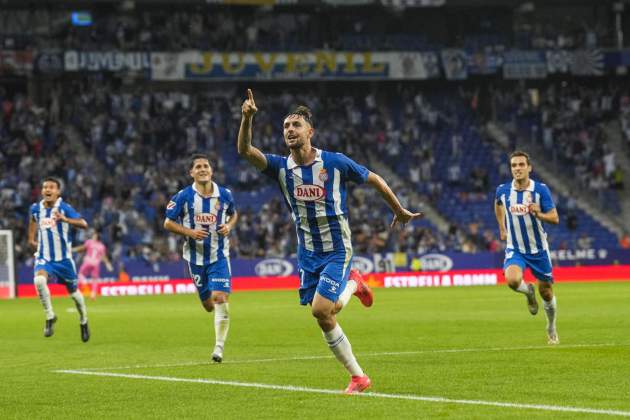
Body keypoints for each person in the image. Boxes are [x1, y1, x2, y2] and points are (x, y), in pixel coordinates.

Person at [237, 89, 421, 394]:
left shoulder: (334, 163)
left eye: (296, 125)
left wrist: (398, 209)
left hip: (337, 248)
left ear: (310, 131)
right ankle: (355, 284)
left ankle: (359, 377)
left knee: (320, 311)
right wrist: (247, 118)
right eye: (286, 126)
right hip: (307, 252)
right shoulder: (281, 168)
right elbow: (245, 151)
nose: (290, 130)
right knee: (329, 309)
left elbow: (374, 178)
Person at [164, 154, 238, 363]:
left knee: (220, 298)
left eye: (206, 166)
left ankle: (219, 347)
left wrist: (229, 226)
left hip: (219, 256)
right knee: (208, 305)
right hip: (195, 260)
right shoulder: (183, 197)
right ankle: (217, 314)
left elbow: (233, 214)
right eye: (198, 167)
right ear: (192, 172)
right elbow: (168, 223)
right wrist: (189, 232)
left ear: (211, 171)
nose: (203, 169)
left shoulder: (225, 194)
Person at [494, 151, 560, 345]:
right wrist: (502, 228)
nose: (517, 168)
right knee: (513, 281)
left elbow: (555, 218)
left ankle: (551, 327)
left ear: (529, 167)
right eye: (514, 165)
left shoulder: (540, 190)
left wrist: (539, 214)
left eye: (521, 165)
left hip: (538, 249)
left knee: (546, 292)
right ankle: (527, 292)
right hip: (516, 248)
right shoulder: (503, 190)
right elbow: (498, 205)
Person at [27, 177, 90, 342]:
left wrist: (65, 219)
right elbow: (33, 220)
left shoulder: (64, 208)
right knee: (39, 281)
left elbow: (84, 224)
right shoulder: (36, 208)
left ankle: (83, 320)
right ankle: (50, 316)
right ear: (42, 191)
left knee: (74, 295)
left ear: (58, 191)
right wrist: (31, 238)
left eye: (51, 187)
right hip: (44, 257)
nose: (48, 190)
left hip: (64, 260)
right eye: (45, 187)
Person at [73, 230, 114, 300]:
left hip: (88, 261)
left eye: (93, 235)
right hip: (96, 263)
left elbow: (82, 248)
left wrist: (73, 249)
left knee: (80, 274)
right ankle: (93, 294)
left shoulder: (89, 242)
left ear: (95, 237)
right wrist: (108, 264)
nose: (92, 236)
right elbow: (103, 256)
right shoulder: (102, 246)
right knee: (95, 279)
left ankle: (84, 282)